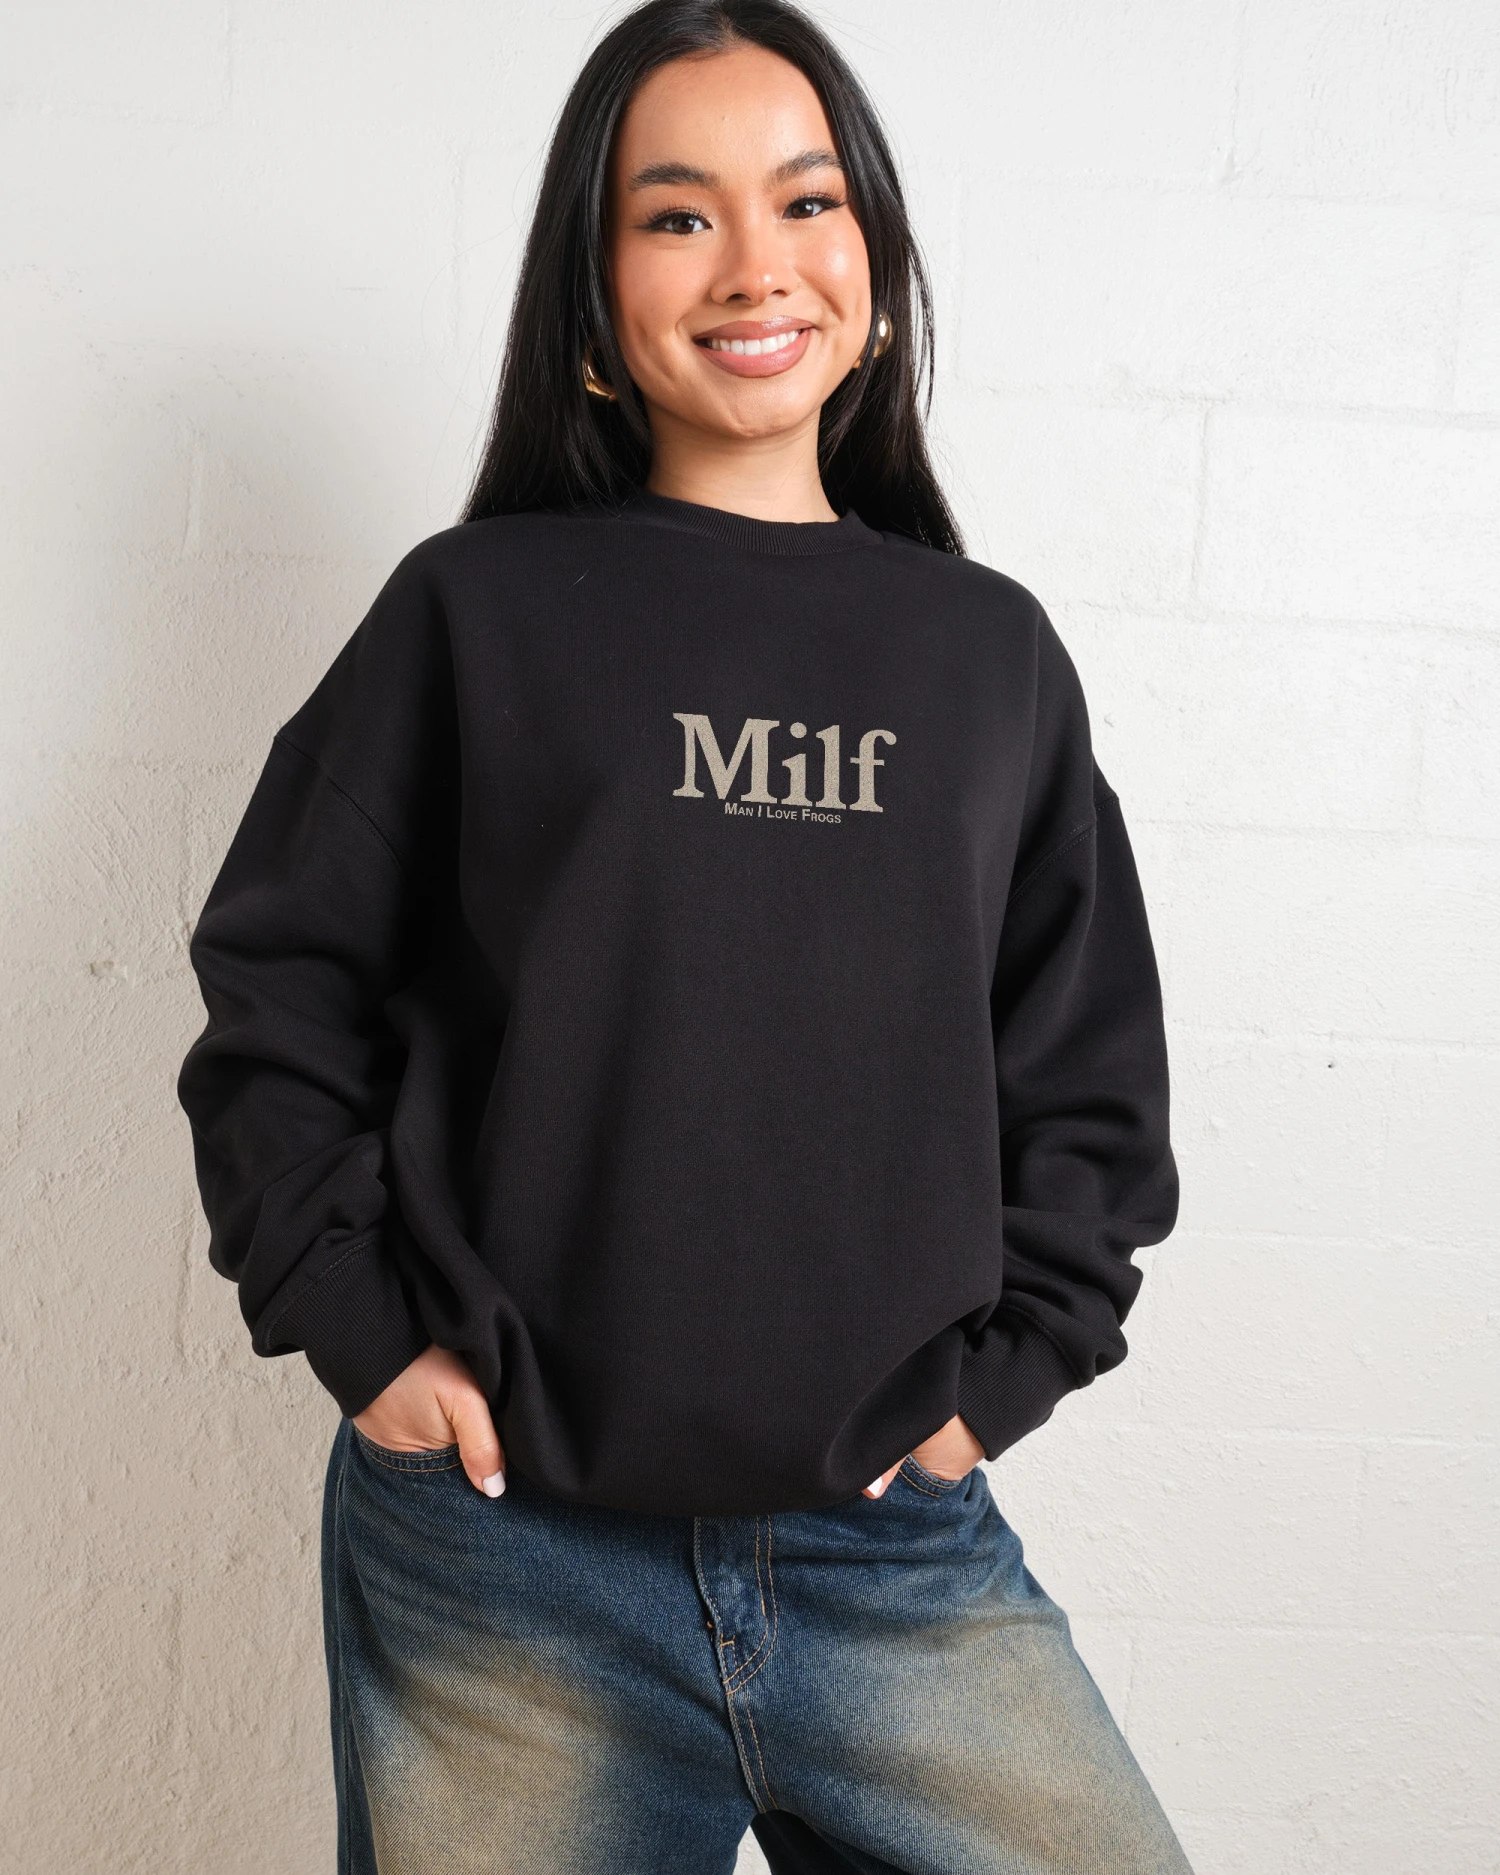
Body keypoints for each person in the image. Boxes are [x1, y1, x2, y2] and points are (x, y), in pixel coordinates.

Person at [177, 2, 1194, 1869]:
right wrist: (364, 1336)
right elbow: (280, 990)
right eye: (676, 215)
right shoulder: (472, 615)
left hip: (890, 1550)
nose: (753, 263)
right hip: (509, 1560)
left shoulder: (988, 657)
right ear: (594, 292)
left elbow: (1089, 1069)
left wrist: (991, 1390)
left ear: (874, 266)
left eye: (805, 201)